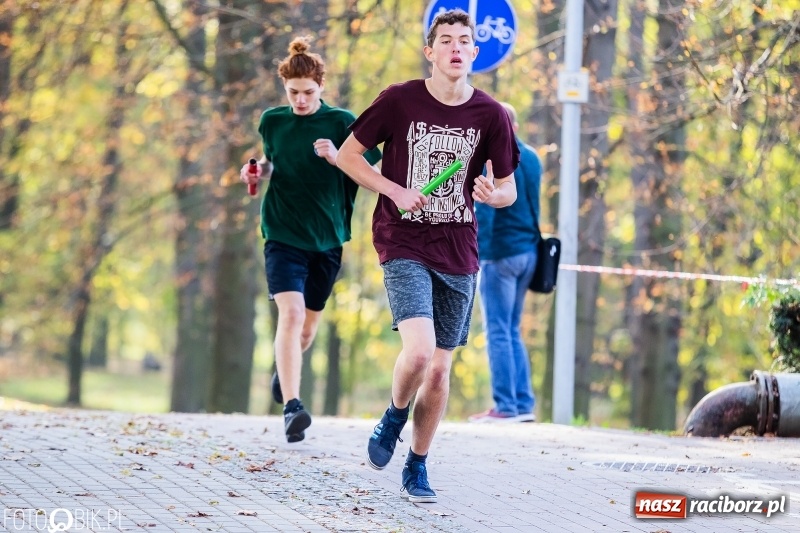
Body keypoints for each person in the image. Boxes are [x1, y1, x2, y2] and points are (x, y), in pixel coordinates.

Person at [336, 9, 519, 503]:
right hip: (403, 240)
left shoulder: (492, 115)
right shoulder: (398, 101)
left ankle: (416, 463)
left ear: (474, 53)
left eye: (465, 41)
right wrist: (394, 190)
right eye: (447, 40)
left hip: (459, 249)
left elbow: (509, 189)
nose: (456, 48)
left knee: (438, 370)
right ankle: (393, 416)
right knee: (418, 352)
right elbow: (347, 156)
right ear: (431, 51)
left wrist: (490, 193)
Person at [240, 37, 381, 444]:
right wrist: (256, 173)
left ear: (321, 86)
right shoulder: (273, 121)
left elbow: (371, 174)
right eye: (293, 93)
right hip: (282, 233)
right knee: (292, 315)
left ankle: (283, 374)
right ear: (285, 89)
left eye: (308, 93)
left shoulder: (342, 123)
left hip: (328, 238)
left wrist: (337, 156)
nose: (300, 101)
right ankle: (292, 408)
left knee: (306, 329)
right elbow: (271, 163)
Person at [469, 102, 542, 424]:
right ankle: (523, 402)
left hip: (500, 255)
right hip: (529, 252)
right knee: (512, 329)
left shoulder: (494, 160)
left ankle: (505, 406)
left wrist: (475, 252)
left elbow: (485, 210)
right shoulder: (533, 157)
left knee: (498, 330)